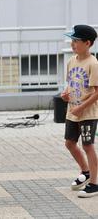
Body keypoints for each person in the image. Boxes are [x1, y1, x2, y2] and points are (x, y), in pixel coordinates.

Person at [61, 24, 98, 198]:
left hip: (88, 113)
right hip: (72, 112)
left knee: (88, 145)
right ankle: (86, 170)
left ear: (88, 43)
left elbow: (97, 92)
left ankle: (94, 184)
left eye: (76, 41)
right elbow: (70, 83)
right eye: (72, 40)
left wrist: (81, 107)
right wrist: (65, 95)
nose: (72, 44)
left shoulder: (93, 63)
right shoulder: (72, 61)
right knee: (69, 143)